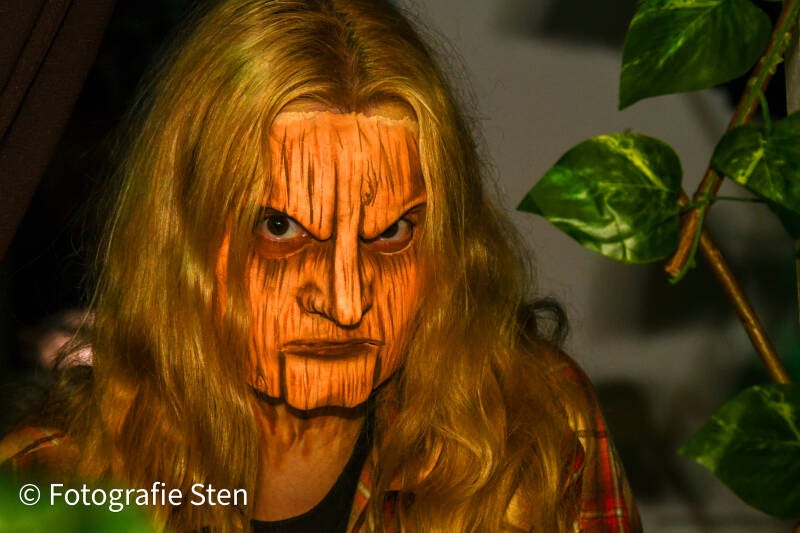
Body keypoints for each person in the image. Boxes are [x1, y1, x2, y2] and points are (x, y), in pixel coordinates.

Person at [1, 0, 641, 531]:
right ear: (182, 236)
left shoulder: (536, 429)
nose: (345, 302)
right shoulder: (55, 485)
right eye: (280, 228)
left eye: (392, 233)